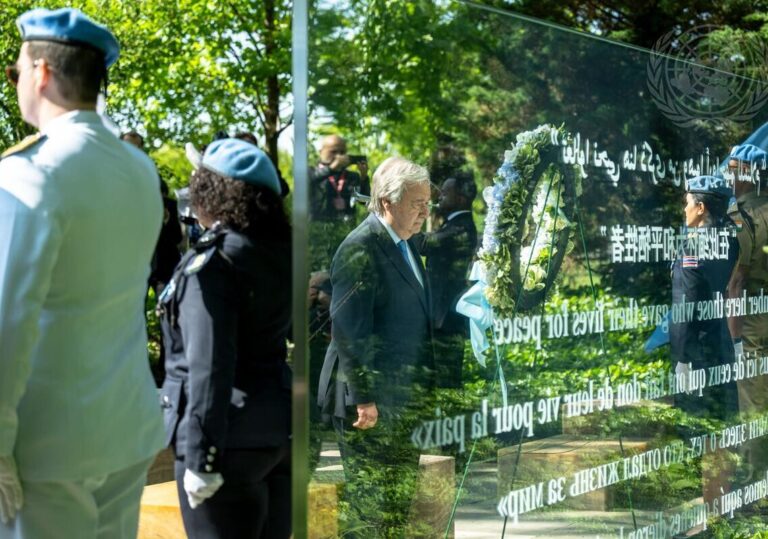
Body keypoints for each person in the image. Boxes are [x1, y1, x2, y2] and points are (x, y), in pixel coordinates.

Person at [0, 8, 164, 538]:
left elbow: (8, 318)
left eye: (16, 69)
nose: (17, 81)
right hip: (125, 428)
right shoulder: (139, 168)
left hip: (48, 447)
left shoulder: (30, 171)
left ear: (42, 73)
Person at [159, 138, 292, 538]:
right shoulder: (275, 251)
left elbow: (209, 365)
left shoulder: (215, 261)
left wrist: (202, 456)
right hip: (275, 434)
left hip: (225, 441)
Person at [317, 156, 436, 537]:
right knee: (371, 511)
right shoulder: (361, 248)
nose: (425, 212)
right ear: (387, 201)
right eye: (418, 204)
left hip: (402, 397)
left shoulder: (406, 244)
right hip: (368, 405)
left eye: (427, 203)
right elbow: (350, 331)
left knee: (397, 507)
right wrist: (365, 398)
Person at [671, 175, 739, 421]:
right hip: (719, 339)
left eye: (687, 202)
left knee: (694, 423)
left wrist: (682, 358)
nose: (684, 209)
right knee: (721, 418)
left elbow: (686, 303)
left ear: (701, 208)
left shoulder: (692, 246)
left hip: (696, 349)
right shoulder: (729, 242)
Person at [726, 144, 768, 476]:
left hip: (752, 322)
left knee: (753, 406)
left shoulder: (739, 218)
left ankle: (756, 490)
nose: (729, 176)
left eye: (733, 169)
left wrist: (735, 338)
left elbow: (735, 282)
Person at [418, 172, 477, 388]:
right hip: (441, 316)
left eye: (445, 192)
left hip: (447, 318)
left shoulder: (461, 228)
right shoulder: (452, 224)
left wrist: (401, 218)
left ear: (461, 199)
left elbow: (423, 244)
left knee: (448, 381)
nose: (440, 196)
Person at [310, 134, 369, 221]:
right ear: (321, 152)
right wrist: (331, 168)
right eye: (333, 152)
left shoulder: (352, 176)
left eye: (342, 153)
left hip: (346, 227)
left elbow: (364, 201)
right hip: (318, 227)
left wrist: (363, 177)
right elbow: (311, 180)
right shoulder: (310, 172)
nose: (338, 156)